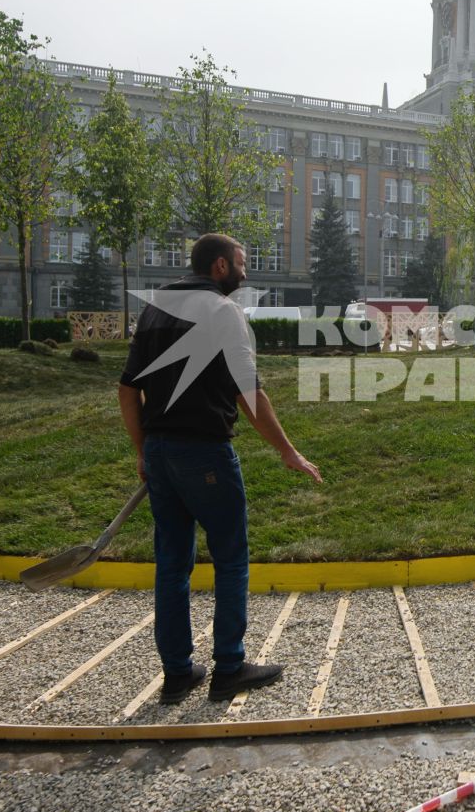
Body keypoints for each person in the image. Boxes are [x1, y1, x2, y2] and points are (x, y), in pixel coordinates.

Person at [118, 234, 323, 704]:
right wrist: (288, 452)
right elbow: (248, 392)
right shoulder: (223, 312)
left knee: (171, 565)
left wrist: (143, 451)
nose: (246, 271)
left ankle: (177, 673)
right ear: (218, 267)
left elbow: (127, 391)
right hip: (205, 453)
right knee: (230, 558)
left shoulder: (153, 309)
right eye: (241, 263)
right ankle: (229, 667)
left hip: (161, 454)